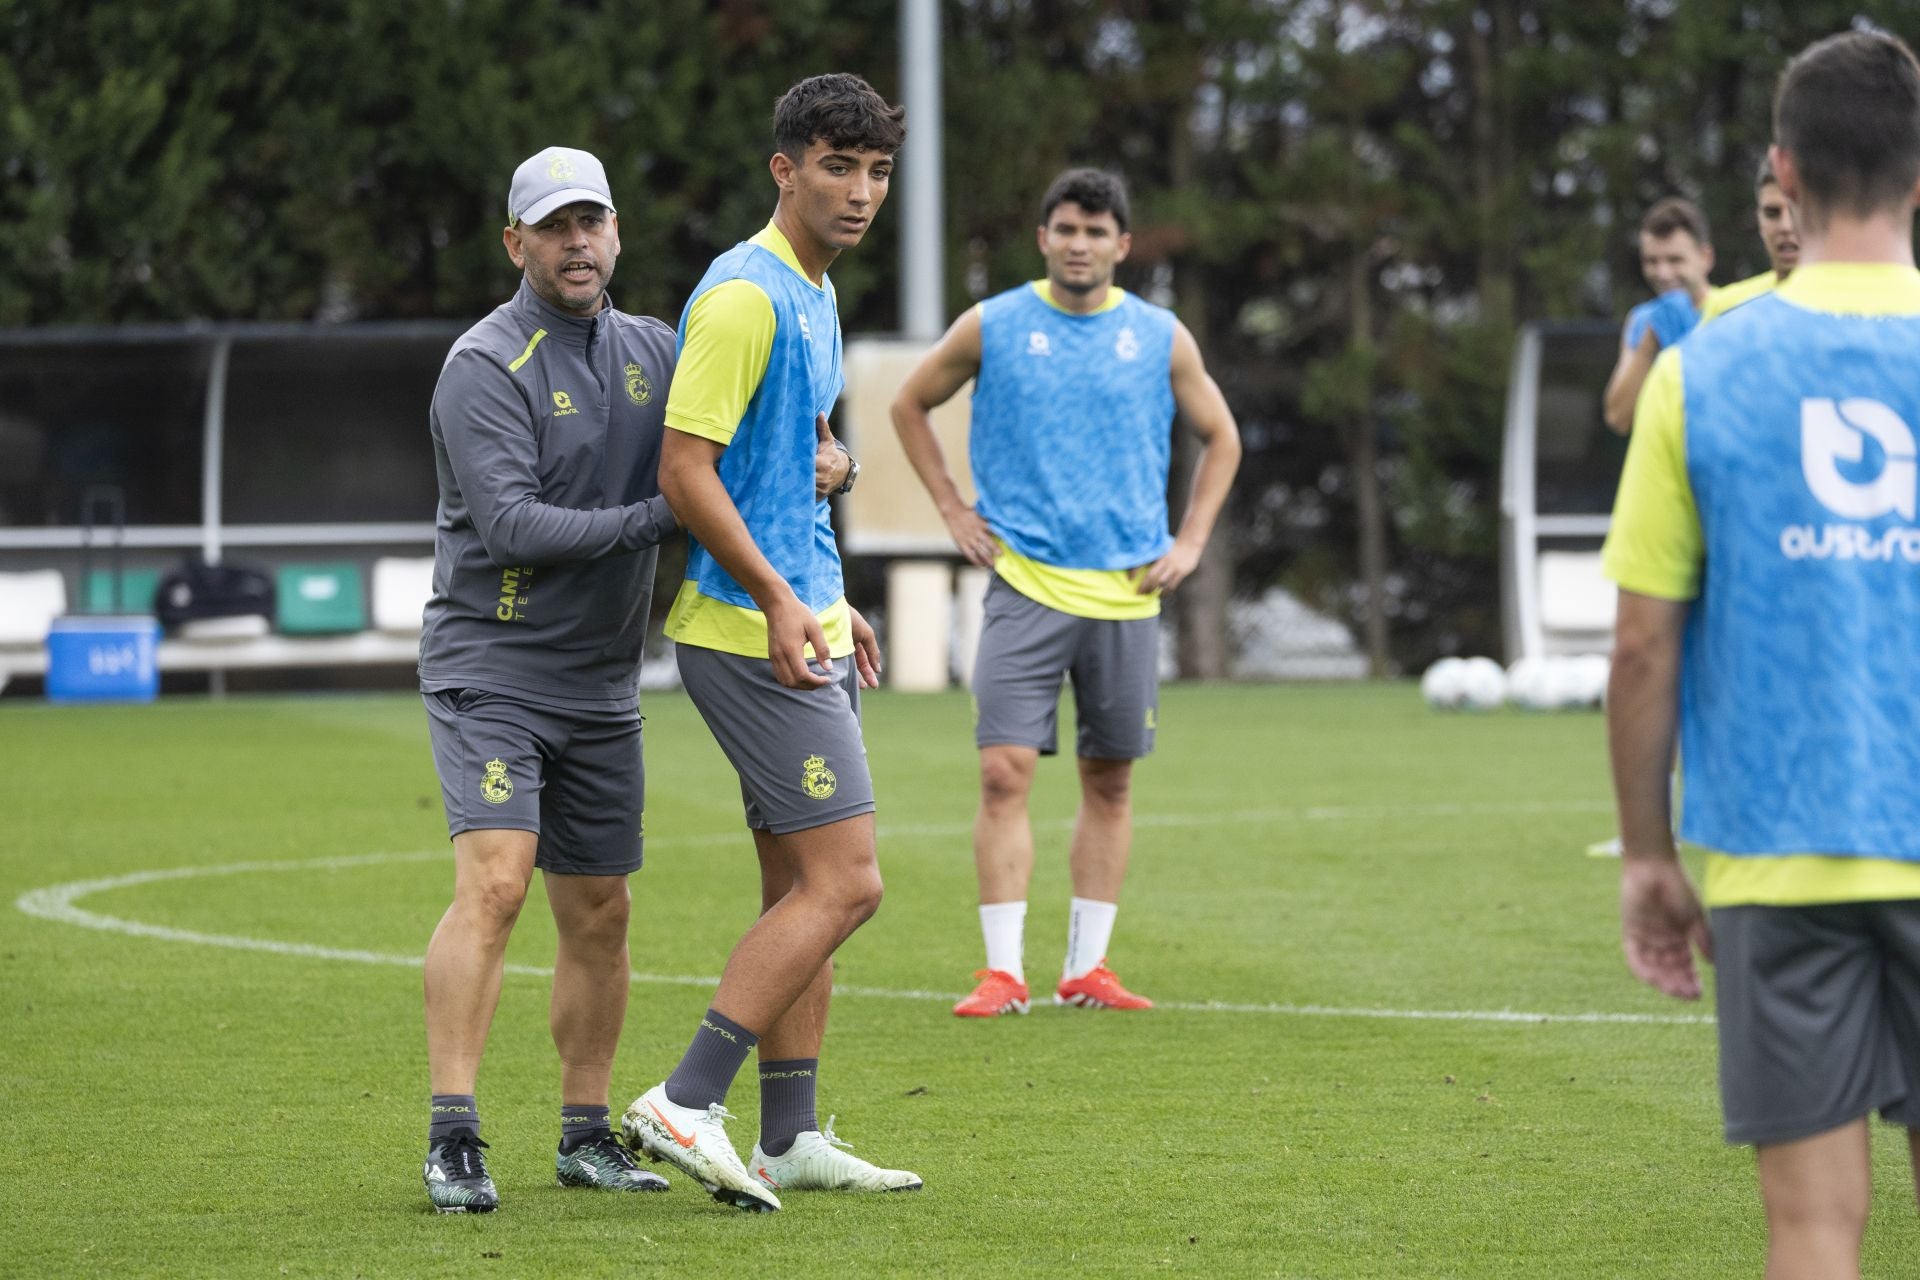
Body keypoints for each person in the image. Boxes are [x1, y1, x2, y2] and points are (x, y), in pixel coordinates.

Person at [415, 147, 850, 1214]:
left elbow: (767, 450)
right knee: (496, 884)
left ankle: (584, 1131)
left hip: (606, 681)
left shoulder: (660, 346)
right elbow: (515, 526)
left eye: (591, 223)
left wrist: (835, 470)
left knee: (601, 909)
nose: (577, 244)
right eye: (553, 227)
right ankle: (454, 1131)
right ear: (515, 244)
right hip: (493, 668)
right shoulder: (483, 364)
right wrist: (672, 511)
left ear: (616, 233)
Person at [1603, 30, 1920, 1279]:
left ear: (1783, 169)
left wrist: (1645, 853)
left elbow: (1642, 644)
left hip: (1777, 854)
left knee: (1812, 1231)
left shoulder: (1702, 372)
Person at [618, 74, 919, 1212]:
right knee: (849, 883)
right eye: (838, 167)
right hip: (748, 634)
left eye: (877, 171)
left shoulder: (815, 290)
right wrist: (783, 600)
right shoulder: (746, 296)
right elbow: (683, 470)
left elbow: (795, 458)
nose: (861, 191)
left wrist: (833, 598)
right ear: (784, 170)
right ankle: (684, 1099)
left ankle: (788, 1135)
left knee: (797, 884)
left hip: (802, 622)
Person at [890, 168, 1242, 1019]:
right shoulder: (995, 324)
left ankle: (1087, 969)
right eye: (1067, 230)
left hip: (1126, 592)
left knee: (1109, 779)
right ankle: (1002, 973)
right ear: (1043, 239)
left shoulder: (1159, 336)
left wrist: (1191, 543)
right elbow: (909, 405)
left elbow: (1222, 437)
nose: (1080, 245)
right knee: (1003, 771)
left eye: (1096, 232)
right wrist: (952, 509)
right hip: (1025, 582)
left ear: (1123, 245)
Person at [1602, 198, 1715, 433]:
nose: (1663, 273)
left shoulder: (1734, 313)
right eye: (1652, 261)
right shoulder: (1642, 320)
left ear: (1705, 258)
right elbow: (1618, 418)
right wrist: (1648, 344)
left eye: (1675, 260)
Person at [1697, 154, 1801, 323]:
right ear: (1758, 218)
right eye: (1772, 213)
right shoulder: (1728, 308)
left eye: (1796, 210)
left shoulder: (1845, 305)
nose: (1785, 226)